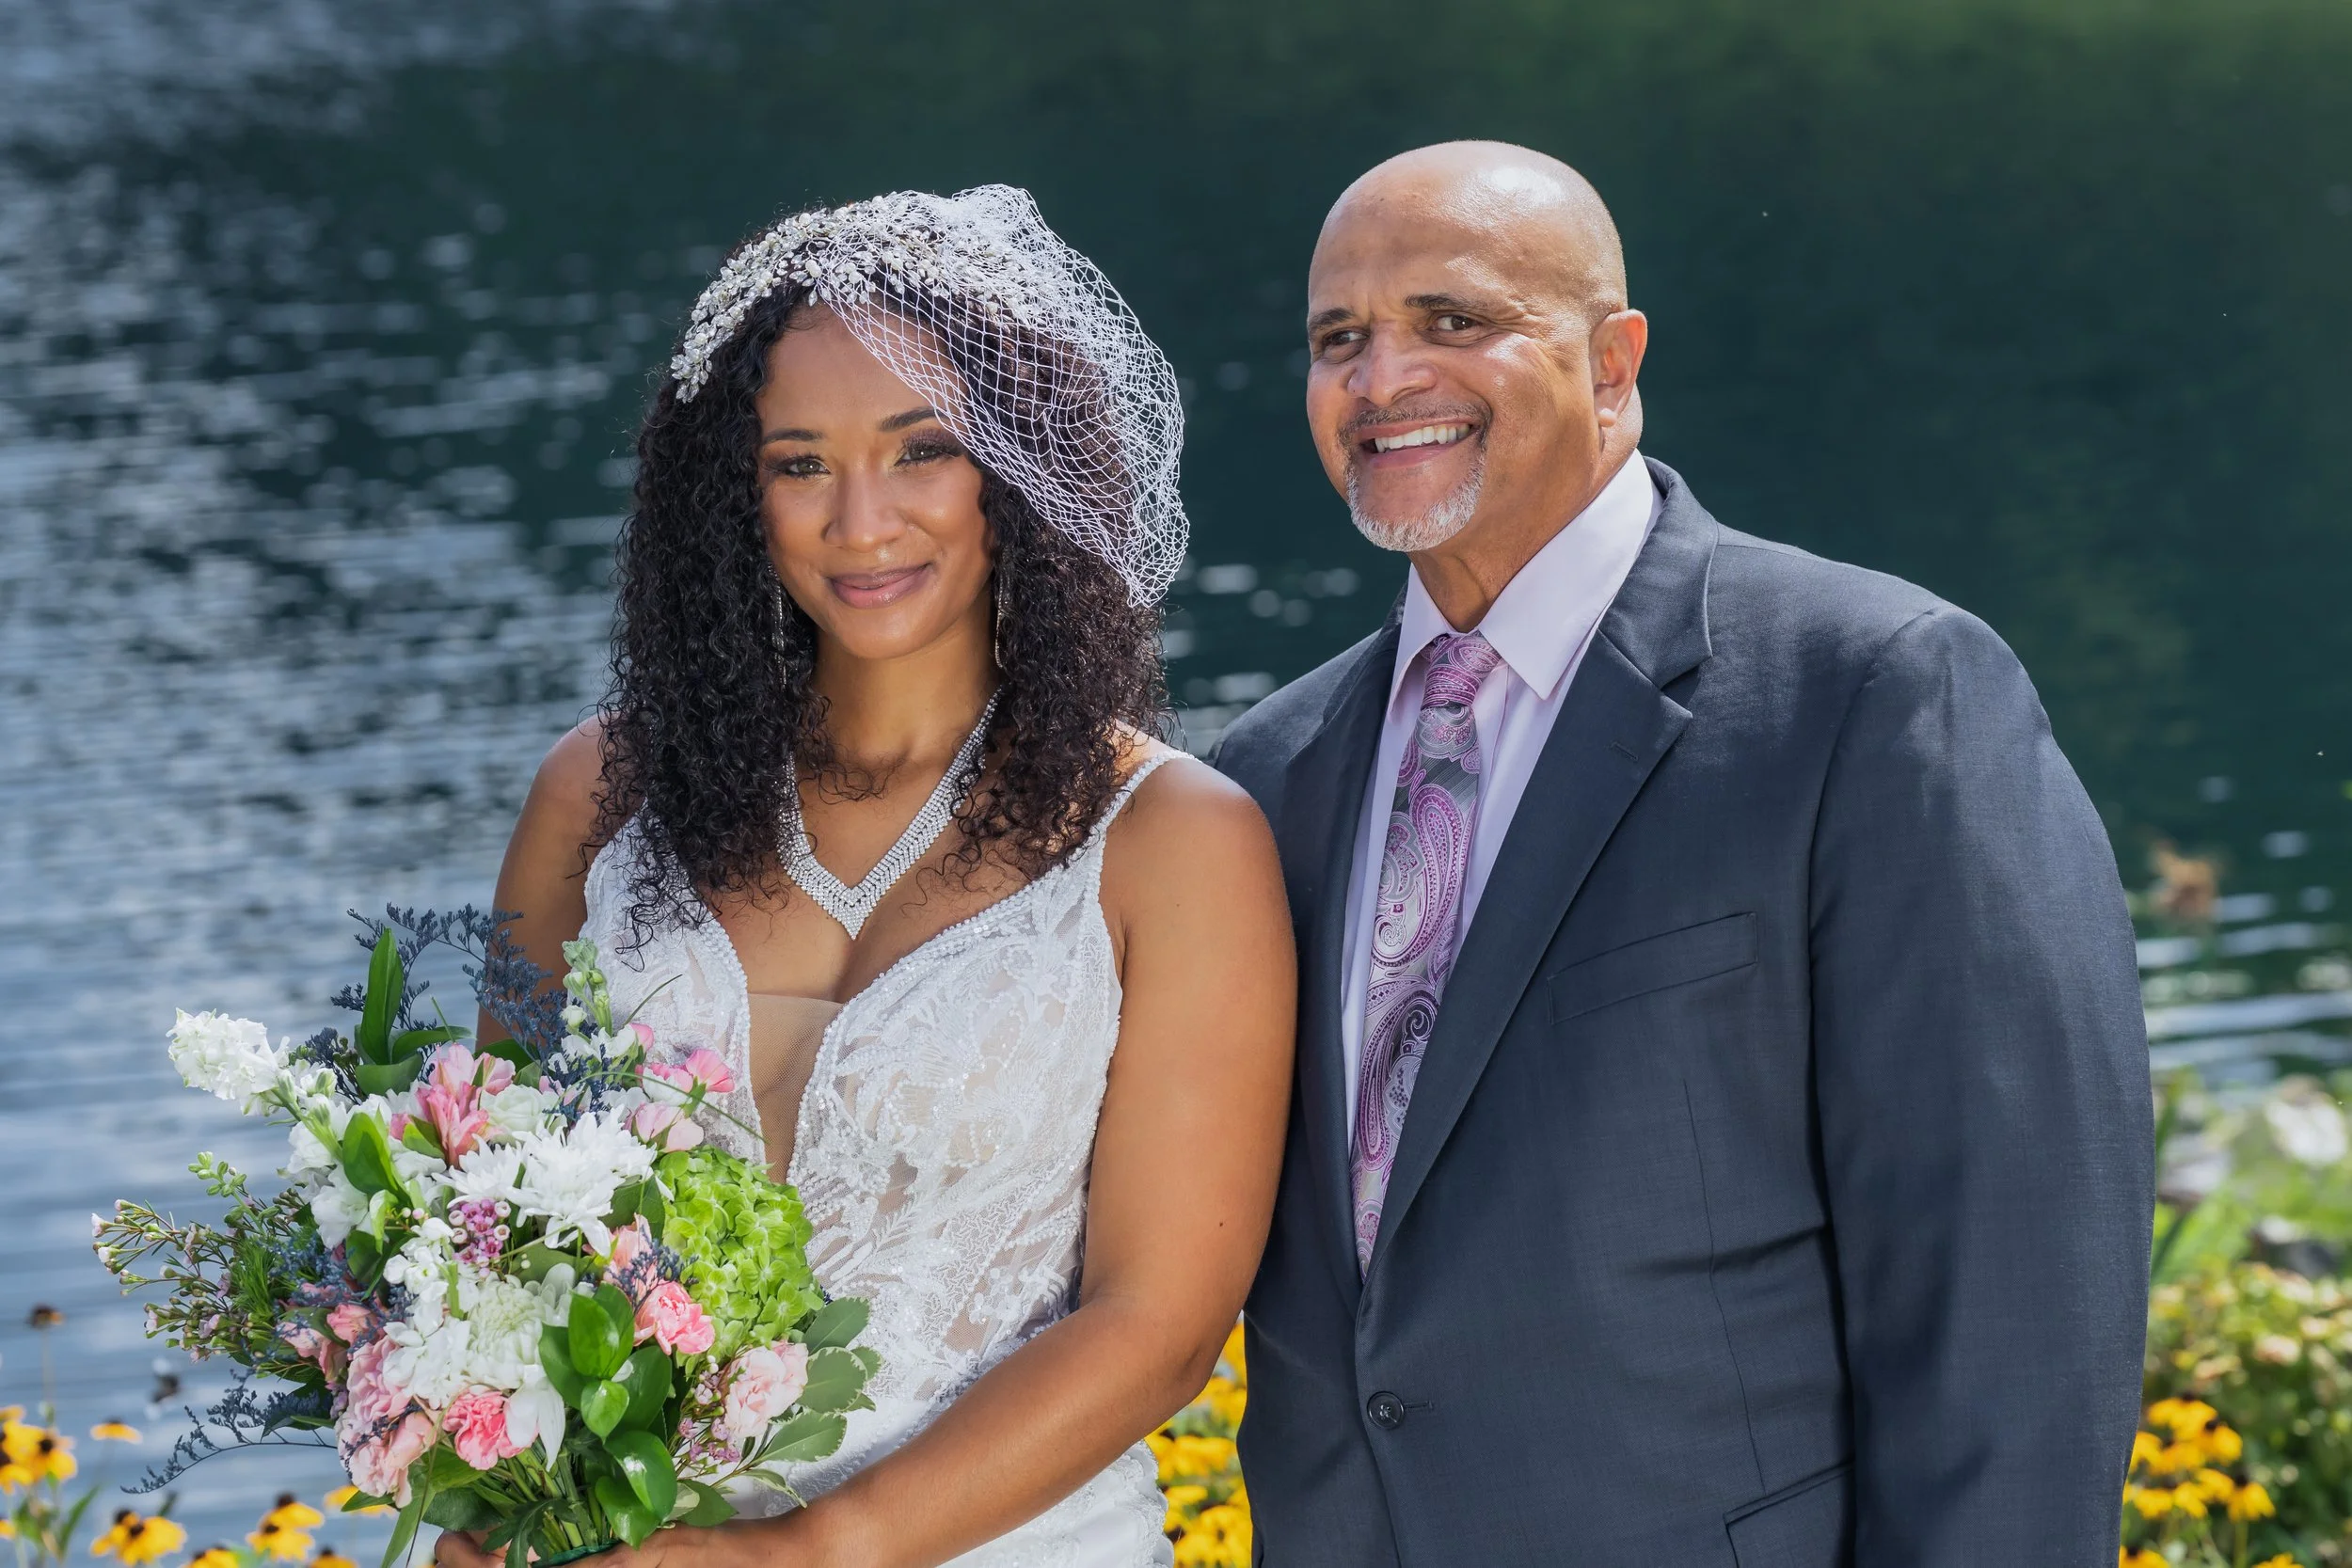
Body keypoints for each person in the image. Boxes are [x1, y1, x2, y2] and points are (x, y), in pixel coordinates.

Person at [1211, 142, 2154, 1566]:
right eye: (1339, 338)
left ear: (1612, 359)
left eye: (1451, 320)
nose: (1379, 376)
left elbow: (2014, 1301)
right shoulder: (1262, 781)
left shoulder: (1876, 695)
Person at [442, 187, 1295, 1568]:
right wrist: (478, 1499)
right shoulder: (592, 796)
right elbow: (477, 1198)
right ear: (734, 492)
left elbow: (1161, 1322)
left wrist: (802, 1555)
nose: (860, 520)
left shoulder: (1175, 840)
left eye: (922, 452)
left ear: (1018, 473)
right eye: (798, 463)